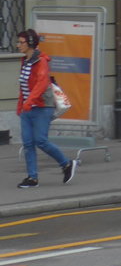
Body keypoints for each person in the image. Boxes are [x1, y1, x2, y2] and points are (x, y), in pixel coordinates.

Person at [15, 29, 77, 189]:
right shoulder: (25, 61)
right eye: (18, 42)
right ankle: (32, 178)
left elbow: (41, 84)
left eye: (21, 42)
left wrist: (29, 102)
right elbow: (24, 86)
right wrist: (21, 105)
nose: (18, 45)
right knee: (28, 143)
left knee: (41, 141)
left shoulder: (41, 61)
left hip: (42, 107)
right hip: (27, 109)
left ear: (30, 43)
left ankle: (67, 164)